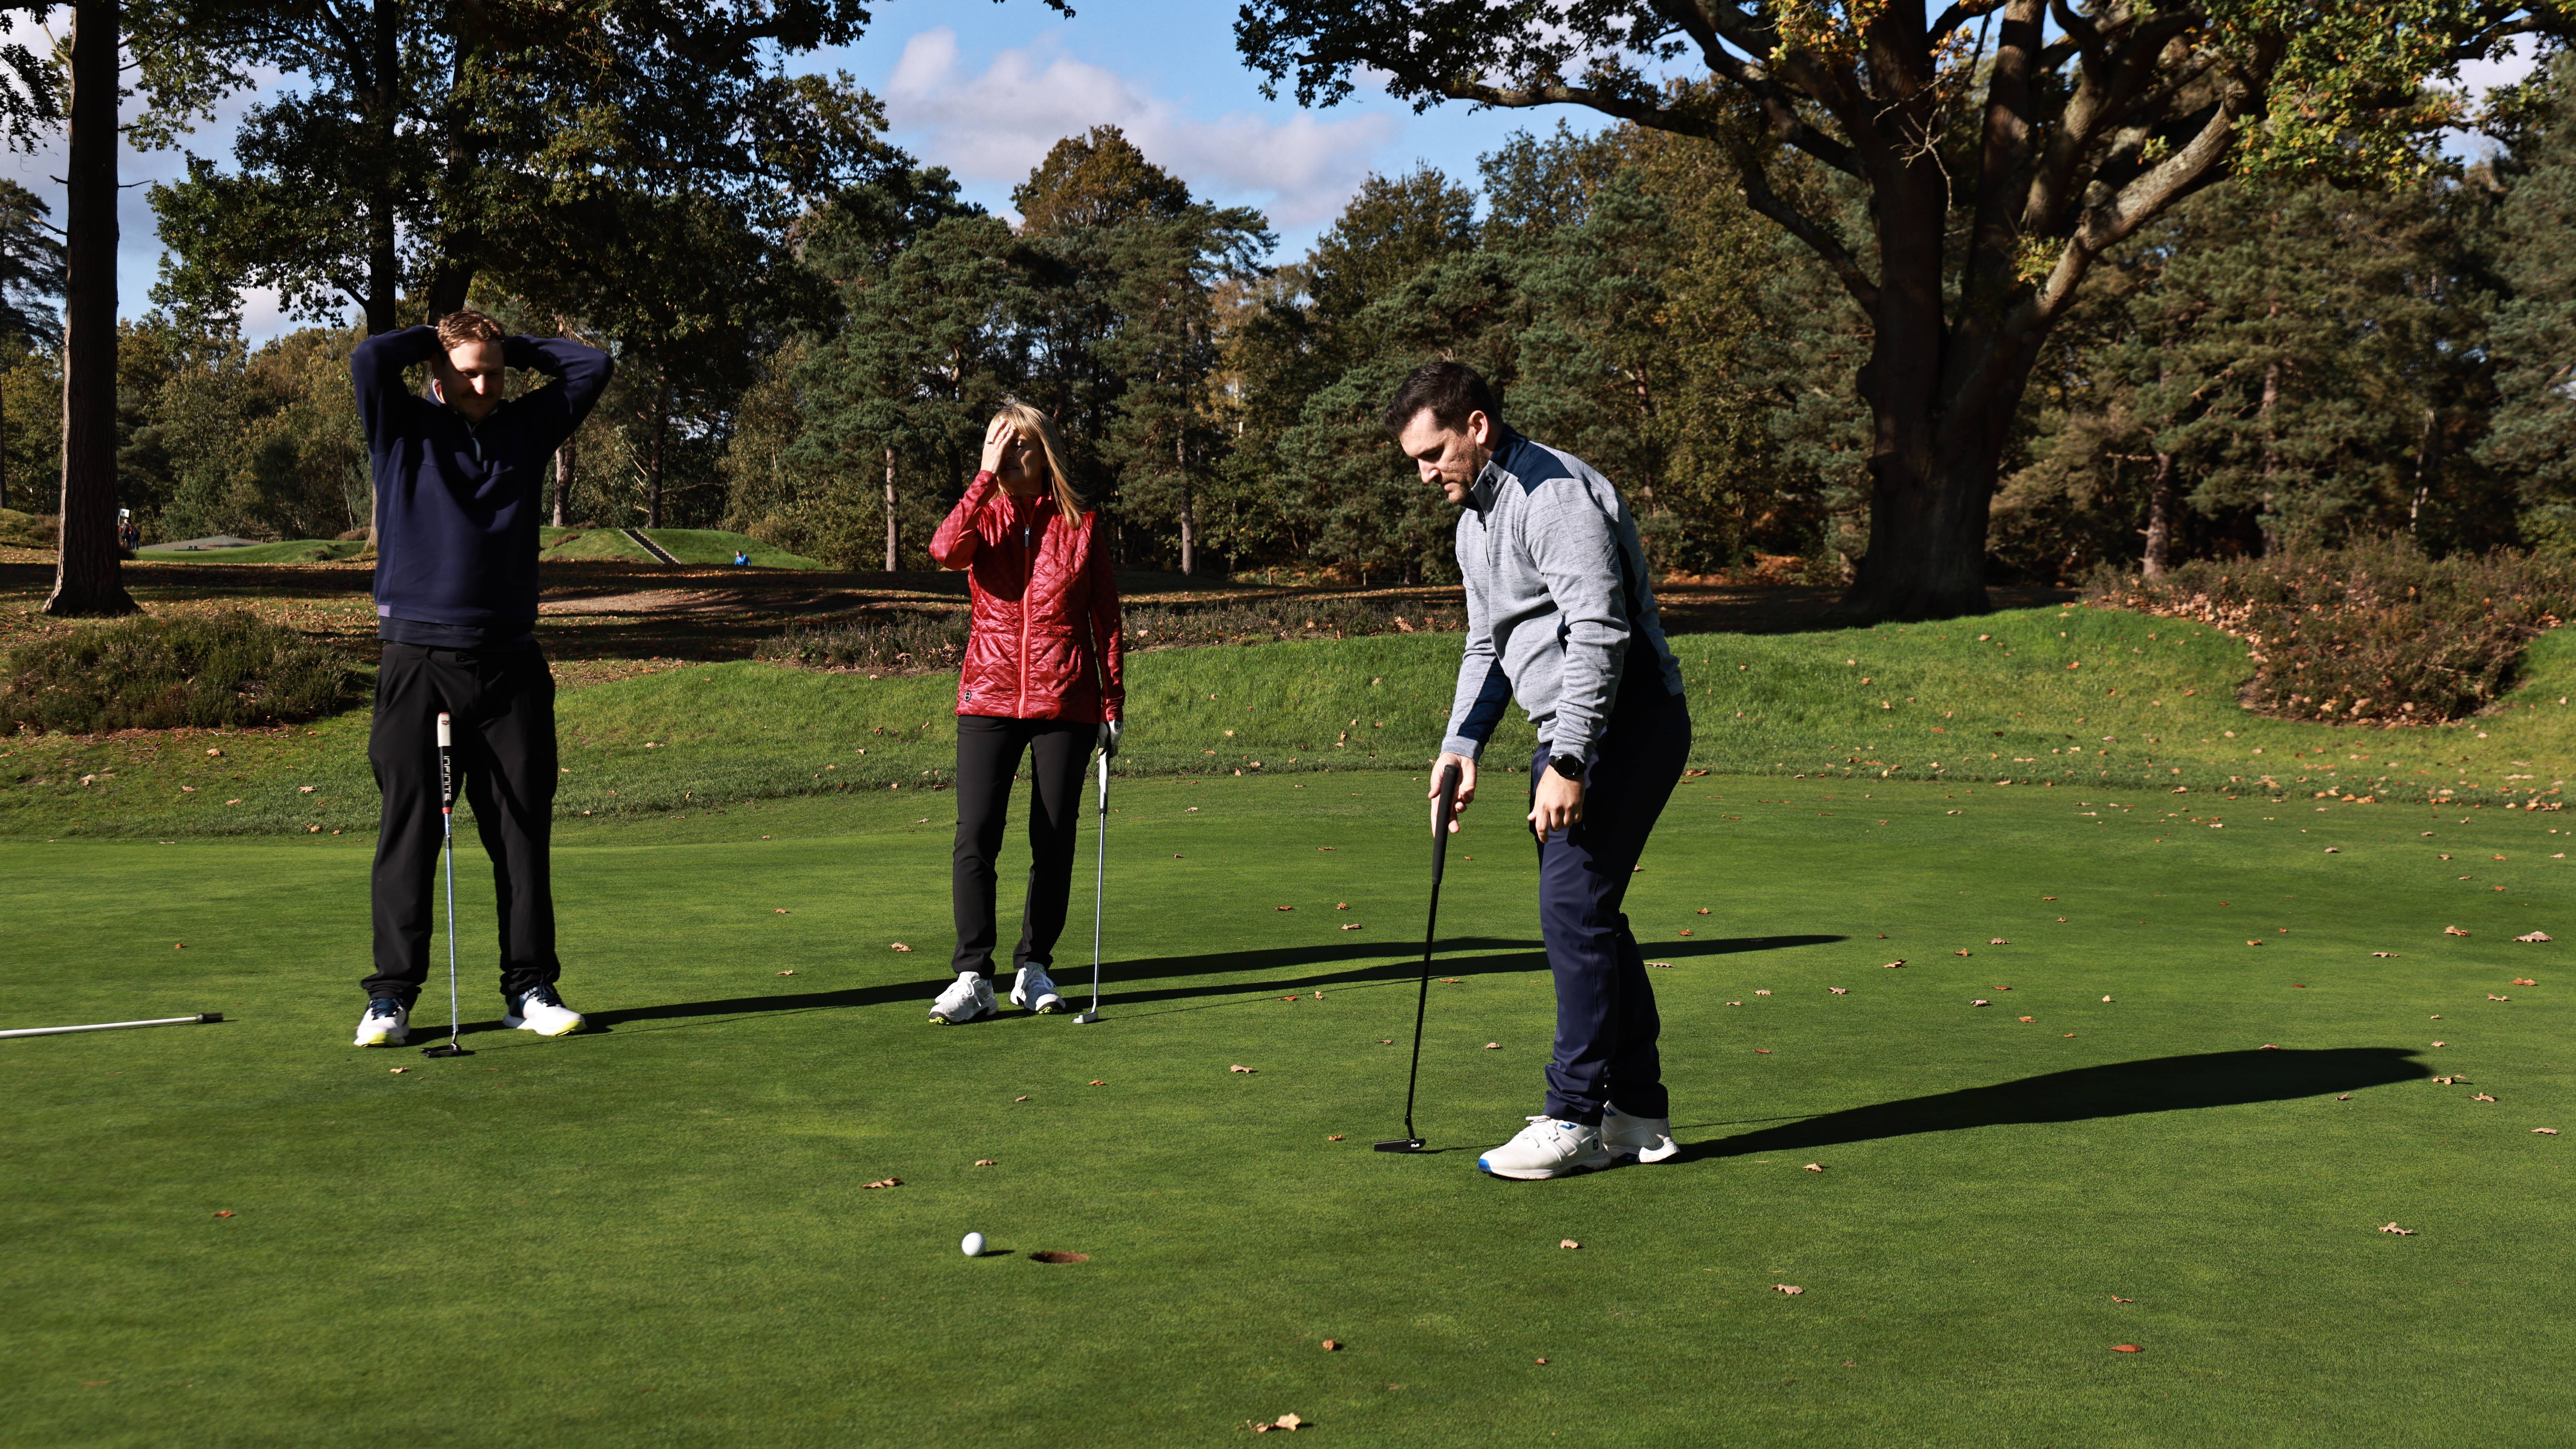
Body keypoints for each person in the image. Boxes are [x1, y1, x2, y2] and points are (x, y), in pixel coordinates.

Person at [1394, 361, 1692, 1180]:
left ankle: (1574, 1117)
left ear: (1478, 428)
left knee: (1572, 905)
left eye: (1433, 453)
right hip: (1570, 734)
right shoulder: (1474, 522)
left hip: (1625, 725)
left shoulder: (1552, 497)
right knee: (1589, 910)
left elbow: (1600, 633)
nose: (1423, 474)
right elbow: (1491, 647)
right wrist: (1462, 747)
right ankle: (1637, 1114)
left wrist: (1569, 759)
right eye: (1414, 460)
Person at [349, 311, 613, 1047]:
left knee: (521, 833)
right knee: (409, 835)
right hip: (416, 658)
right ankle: (391, 998)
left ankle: (529, 987)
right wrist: (436, 340)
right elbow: (371, 358)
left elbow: (592, 368)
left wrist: (509, 348)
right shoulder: (400, 426)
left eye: (492, 371)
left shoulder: (526, 426)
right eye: (466, 370)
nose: (482, 382)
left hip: (509, 662)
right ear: (437, 371)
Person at [924, 402, 1125, 1024]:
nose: (1006, 456)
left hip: (1065, 698)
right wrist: (982, 479)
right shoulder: (981, 517)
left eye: (1017, 447)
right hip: (987, 693)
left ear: (1044, 454)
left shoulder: (1083, 525)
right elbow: (942, 551)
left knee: (1053, 837)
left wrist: (1112, 706)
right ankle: (972, 974)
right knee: (976, 834)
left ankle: (1033, 966)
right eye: (995, 445)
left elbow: (1106, 620)